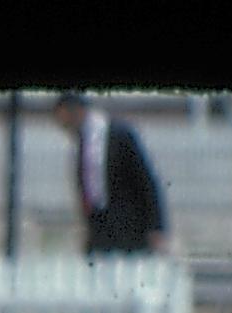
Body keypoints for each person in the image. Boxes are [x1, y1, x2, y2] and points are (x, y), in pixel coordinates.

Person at [54, 92, 168, 255]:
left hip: (128, 224)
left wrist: (156, 226)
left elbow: (145, 180)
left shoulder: (119, 135)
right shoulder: (81, 143)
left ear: (77, 112)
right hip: (99, 226)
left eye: (65, 122)